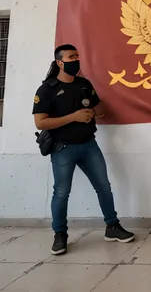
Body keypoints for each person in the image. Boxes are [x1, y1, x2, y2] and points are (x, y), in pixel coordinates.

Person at [33, 44, 134, 255]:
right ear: (60, 62)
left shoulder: (84, 84)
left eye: (77, 56)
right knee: (61, 193)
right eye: (71, 57)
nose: (76, 60)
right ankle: (60, 235)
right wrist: (74, 117)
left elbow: (100, 108)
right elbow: (40, 123)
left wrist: (94, 110)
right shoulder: (47, 89)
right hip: (63, 148)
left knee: (104, 186)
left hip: (89, 145)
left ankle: (112, 227)